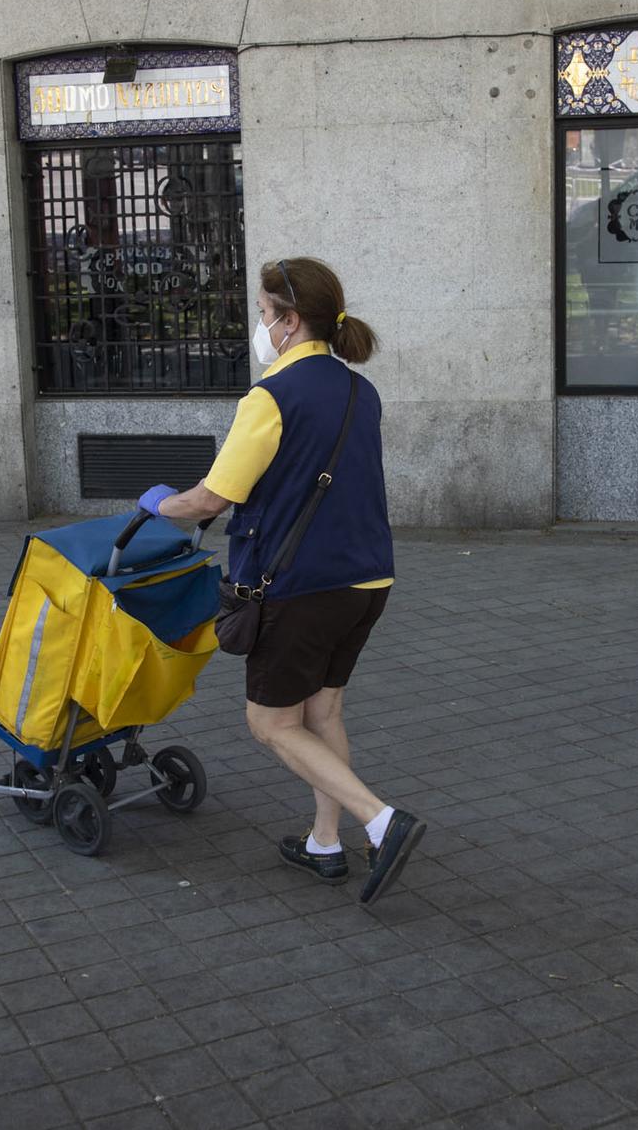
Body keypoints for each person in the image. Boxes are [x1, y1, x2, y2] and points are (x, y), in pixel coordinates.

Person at [137, 257, 425, 905]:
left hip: (299, 586)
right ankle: (325, 841)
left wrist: (160, 502)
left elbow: (213, 498)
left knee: (270, 722)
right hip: (367, 579)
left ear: (291, 321)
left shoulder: (271, 396)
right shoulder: (360, 390)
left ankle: (381, 820)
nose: (261, 326)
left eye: (265, 314)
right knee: (322, 710)